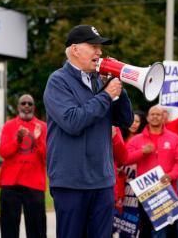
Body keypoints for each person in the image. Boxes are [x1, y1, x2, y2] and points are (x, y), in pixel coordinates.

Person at [43, 25, 133, 238]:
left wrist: (117, 83)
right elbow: (73, 121)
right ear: (75, 49)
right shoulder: (58, 81)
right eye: (93, 46)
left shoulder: (100, 80)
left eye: (100, 47)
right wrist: (106, 96)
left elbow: (125, 120)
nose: (99, 52)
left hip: (102, 182)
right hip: (71, 182)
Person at [125, 105, 178, 237]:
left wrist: (171, 175)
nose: (155, 116)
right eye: (152, 114)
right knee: (146, 229)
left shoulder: (174, 138)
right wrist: (141, 152)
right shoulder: (137, 139)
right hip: (146, 193)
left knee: (171, 231)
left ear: (163, 117)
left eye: (158, 114)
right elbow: (125, 159)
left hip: (168, 191)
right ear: (147, 118)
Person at [0, 94, 47, 238]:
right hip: (10, 184)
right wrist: (17, 140)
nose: (26, 106)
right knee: (9, 230)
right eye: (23, 103)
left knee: (37, 230)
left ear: (34, 107)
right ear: (18, 106)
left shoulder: (42, 127)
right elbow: (3, 152)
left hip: (34, 185)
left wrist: (37, 140)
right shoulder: (9, 126)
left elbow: (47, 155)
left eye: (30, 104)